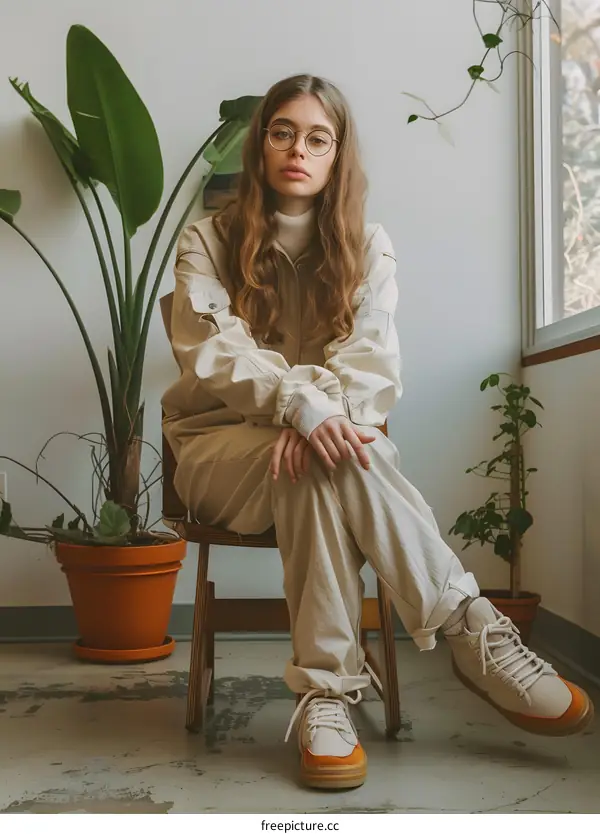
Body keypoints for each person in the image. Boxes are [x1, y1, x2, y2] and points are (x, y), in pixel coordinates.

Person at [161, 74, 593, 790]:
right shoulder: (205, 239)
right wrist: (300, 405)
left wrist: (316, 417)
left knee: (314, 462)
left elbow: (371, 361)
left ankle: (326, 697)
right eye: (282, 133)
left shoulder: (367, 244)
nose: (298, 150)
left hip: (328, 447)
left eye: (317, 138)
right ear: (260, 144)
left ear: (338, 155)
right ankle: (469, 625)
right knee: (320, 453)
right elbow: (214, 351)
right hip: (216, 448)